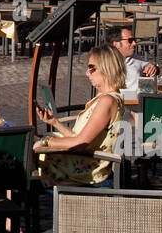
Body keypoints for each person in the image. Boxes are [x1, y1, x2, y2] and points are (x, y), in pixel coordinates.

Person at [34, 45, 127, 188]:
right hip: (86, 163)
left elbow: (81, 143)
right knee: (28, 150)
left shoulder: (107, 101)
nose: (87, 73)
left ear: (107, 68)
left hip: (88, 173)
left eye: (92, 68)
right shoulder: (108, 99)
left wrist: (47, 141)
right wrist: (55, 123)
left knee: (24, 160)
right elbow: (79, 137)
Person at [108, 25, 157, 89]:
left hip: (136, 98)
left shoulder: (134, 58)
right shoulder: (105, 62)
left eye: (134, 40)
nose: (134, 43)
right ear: (116, 44)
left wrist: (154, 68)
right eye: (130, 40)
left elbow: (151, 67)